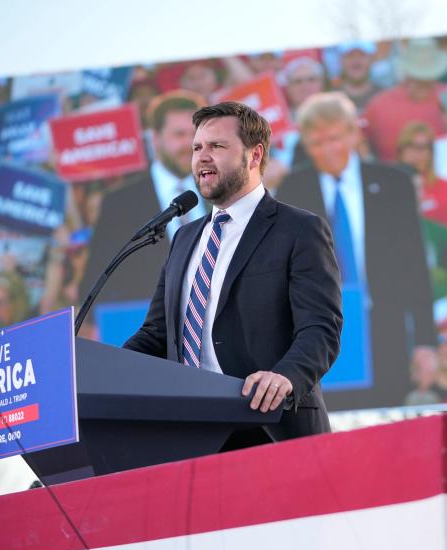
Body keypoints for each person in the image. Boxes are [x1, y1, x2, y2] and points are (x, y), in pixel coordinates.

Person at [124, 102, 342, 444]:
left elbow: (320, 328)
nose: (201, 157)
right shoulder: (184, 237)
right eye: (197, 148)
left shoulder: (299, 229)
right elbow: (156, 335)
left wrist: (285, 377)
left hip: (268, 424)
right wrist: (103, 368)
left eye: (217, 146)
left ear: (254, 156)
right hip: (189, 435)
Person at [276, 92, 435, 410]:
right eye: (317, 142)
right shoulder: (294, 188)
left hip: (384, 328)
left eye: (335, 138)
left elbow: (415, 266)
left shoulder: (394, 183)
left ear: (353, 133)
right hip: (322, 334)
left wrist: (425, 342)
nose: (327, 150)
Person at [81, 91, 207, 323]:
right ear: (155, 138)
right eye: (179, 134)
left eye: (196, 135)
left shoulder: (222, 192)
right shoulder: (120, 203)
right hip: (148, 336)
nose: (190, 145)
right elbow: (95, 282)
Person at [362, 38, 447, 162]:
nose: (423, 81)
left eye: (427, 76)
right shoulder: (379, 106)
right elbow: (358, 138)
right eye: (418, 77)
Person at [329, 42, 382, 112]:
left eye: (362, 55)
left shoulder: (383, 97)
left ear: (372, 59)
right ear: (341, 60)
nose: (356, 61)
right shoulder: (330, 100)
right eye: (350, 56)